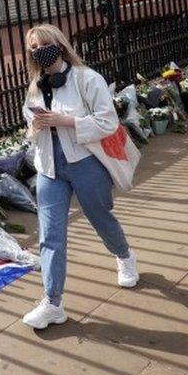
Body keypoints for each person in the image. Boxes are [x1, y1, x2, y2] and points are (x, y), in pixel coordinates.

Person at [20, 23, 138, 330]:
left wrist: (66, 121)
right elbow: (30, 126)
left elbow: (108, 122)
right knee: (51, 235)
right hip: (50, 168)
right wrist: (37, 125)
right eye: (33, 47)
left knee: (101, 217)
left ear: (59, 45)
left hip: (85, 162)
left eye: (44, 44)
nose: (39, 51)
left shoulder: (87, 79)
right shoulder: (36, 85)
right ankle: (52, 302)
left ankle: (124, 255)